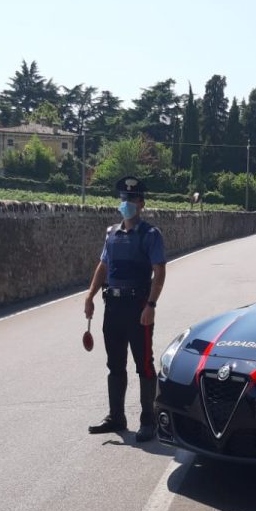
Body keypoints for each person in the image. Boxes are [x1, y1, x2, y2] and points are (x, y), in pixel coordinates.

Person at [84, 176, 167, 442]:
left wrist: (151, 305)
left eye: (131, 199)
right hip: (114, 306)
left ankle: (148, 421)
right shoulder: (112, 234)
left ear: (141, 203)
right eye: (123, 199)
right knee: (115, 364)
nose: (126, 203)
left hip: (138, 306)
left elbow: (160, 271)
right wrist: (90, 295)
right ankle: (116, 417)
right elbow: (103, 266)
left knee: (143, 363)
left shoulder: (150, 235)